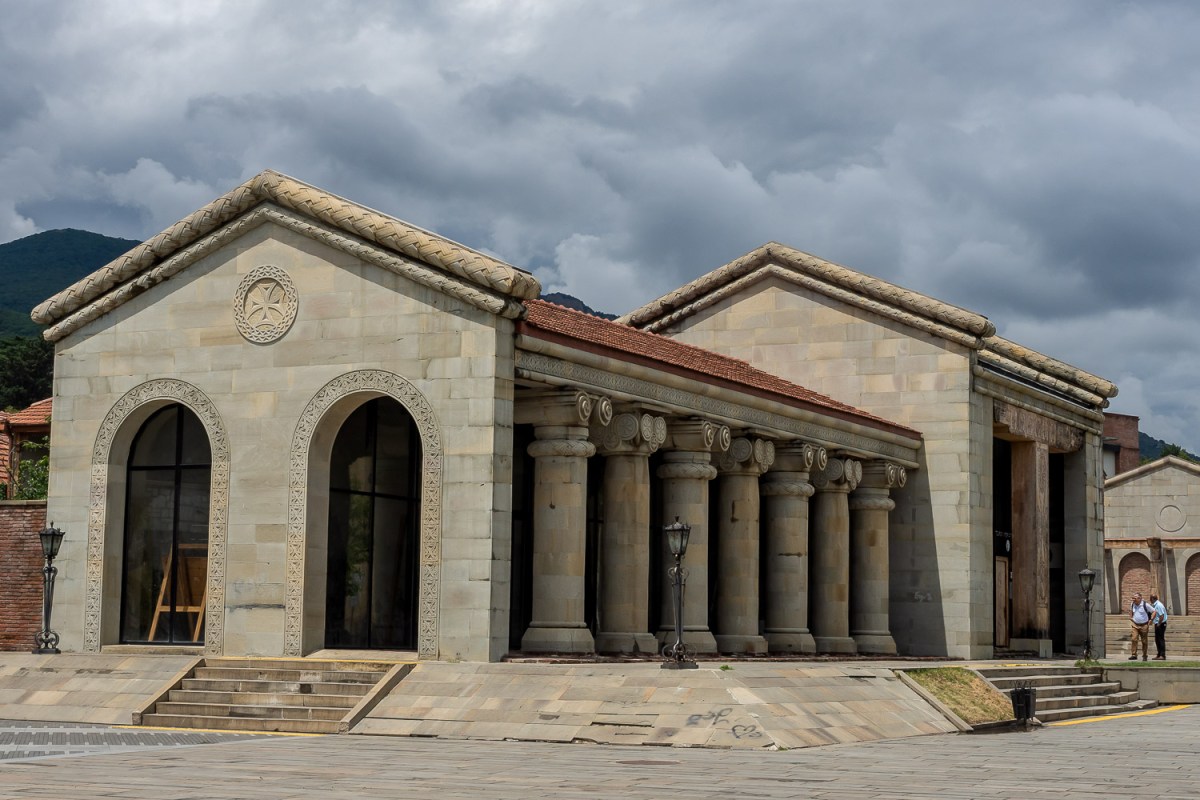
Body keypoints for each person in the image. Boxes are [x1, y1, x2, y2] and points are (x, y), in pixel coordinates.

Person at [1129, 592, 1152, 661]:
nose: (1133, 599)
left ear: (1139, 598)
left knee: (1144, 641)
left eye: (1135, 598)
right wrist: (1131, 617)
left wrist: (1151, 620)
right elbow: (1131, 610)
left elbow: (1154, 611)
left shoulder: (1145, 605)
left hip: (1144, 625)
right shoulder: (1132, 604)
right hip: (1135, 624)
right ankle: (1134, 654)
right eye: (1133, 598)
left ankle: (1144, 655)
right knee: (1134, 639)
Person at [1150, 592, 1168, 660]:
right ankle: (1159, 654)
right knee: (1157, 639)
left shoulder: (1158, 605)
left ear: (1152, 598)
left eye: (1150, 598)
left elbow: (1161, 616)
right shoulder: (1155, 604)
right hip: (1158, 623)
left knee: (1160, 639)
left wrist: (1159, 623)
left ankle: (1162, 655)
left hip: (1161, 624)